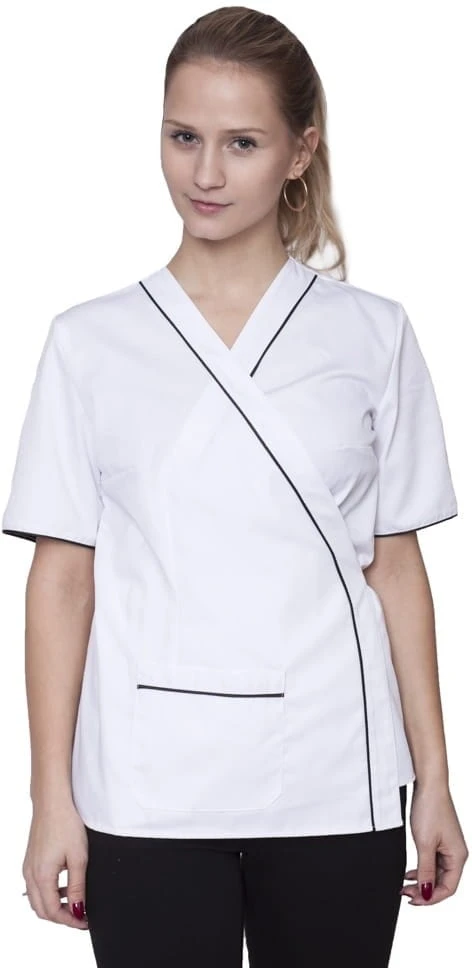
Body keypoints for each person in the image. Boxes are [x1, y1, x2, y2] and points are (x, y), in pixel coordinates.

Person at [3, 6, 468, 967]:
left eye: (242, 143)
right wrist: (51, 797)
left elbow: (395, 567)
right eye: (184, 137)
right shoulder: (89, 344)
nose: (205, 174)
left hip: (338, 773)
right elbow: (62, 578)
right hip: (146, 781)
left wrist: (435, 777)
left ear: (301, 152)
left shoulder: (373, 335)